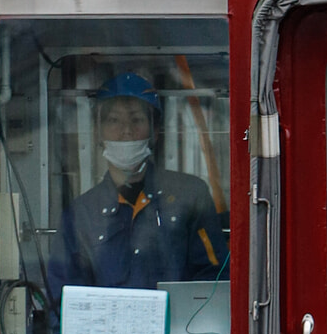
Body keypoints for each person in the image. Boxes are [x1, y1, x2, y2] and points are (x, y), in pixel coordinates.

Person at [46, 74, 226, 317]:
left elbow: (214, 279)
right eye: (114, 120)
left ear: (155, 130)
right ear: (98, 132)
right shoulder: (80, 215)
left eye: (137, 120)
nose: (126, 131)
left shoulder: (190, 195)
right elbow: (64, 304)